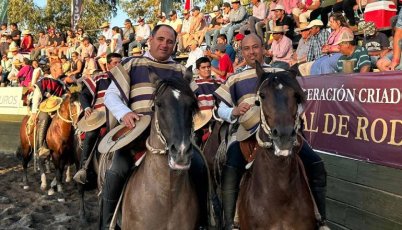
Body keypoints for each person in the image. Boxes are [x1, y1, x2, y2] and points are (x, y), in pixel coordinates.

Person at [213, 34, 327, 229]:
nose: (251, 52)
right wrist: (233, 111)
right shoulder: (234, 78)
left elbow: (299, 102)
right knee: (231, 169)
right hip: (247, 135)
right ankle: (230, 223)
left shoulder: (280, 72)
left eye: (255, 47)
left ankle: (320, 219)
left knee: (316, 164)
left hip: (283, 130)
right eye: (246, 48)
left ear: (264, 48)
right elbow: (219, 109)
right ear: (241, 51)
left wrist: (290, 119)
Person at [101, 25, 209, 229]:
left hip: (176, 136)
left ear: (175, 45)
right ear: (150, 40)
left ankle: (202, 221)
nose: (164, 44)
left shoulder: (180, 70)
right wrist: (125, 113)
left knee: (200, 168)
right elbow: (111, 95)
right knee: (116, 171)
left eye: (170, 41)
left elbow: (194, 101)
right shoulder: (131, 63)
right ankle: (106, 223)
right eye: (160, 39)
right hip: (136, 137)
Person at [73, 53, 123, 184]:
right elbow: (84, 95)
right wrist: (87, 107)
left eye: (120, 63)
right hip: (100, 115)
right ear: (108, 65)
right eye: (115, 63)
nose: (118, 65)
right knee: (92, 134)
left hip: (122, 114)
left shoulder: (126, 78)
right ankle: (84, 167)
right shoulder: (99, 78)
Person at [31, 62, 67, 159]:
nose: (62, 69)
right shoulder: (44, 81)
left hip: (57, 108)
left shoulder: (62, 84)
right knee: (45, 118)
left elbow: (64, 95)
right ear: (54, 70)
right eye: (60, 67)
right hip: (44, 108)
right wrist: (34, 112)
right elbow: (36, 96)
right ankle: (41, 146)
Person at [193, 57, 222, 146]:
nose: (207, 69)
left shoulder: (218, 82)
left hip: (218, 120)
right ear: (198, 70)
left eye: (208, 67)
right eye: (203, 67)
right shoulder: (193, 84)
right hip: (201, 122)